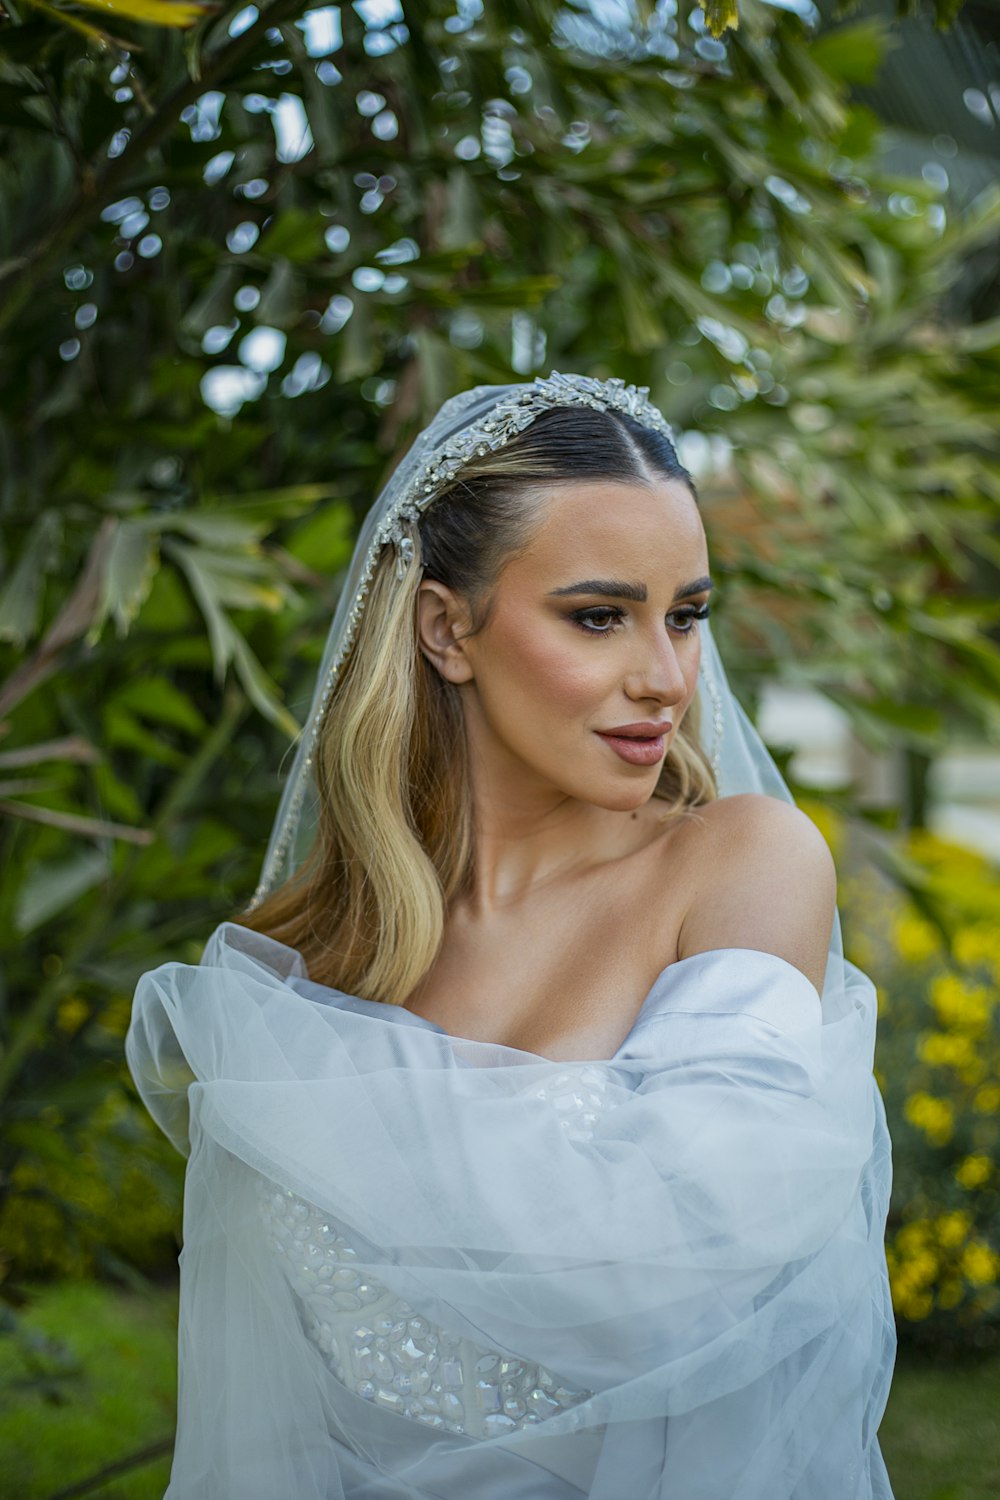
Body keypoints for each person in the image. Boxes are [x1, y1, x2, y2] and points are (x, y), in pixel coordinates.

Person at [125, 371, 897, 1499]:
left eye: (685, 615)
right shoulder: (304, 967)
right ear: (447, 629)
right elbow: (268, 1420)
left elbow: (687, 1288)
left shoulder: (739, 866)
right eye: (598, 616)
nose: (665, 678)